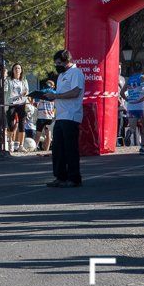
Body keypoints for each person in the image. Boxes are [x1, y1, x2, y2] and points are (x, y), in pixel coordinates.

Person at [44, 50, 85, 188]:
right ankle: (60, 176)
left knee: (70, 148)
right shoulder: (61, 75)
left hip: (71, 114)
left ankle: (74, 178)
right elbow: (61, 93)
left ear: (67, 61)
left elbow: (75, 92)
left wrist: (57, 96)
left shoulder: (76, 73)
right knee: (58, 148)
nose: (57, 66)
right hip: (60, 115)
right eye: (55, 63)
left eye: (59, 63)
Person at [120, 61, 144, 155]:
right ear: (142, 69)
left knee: (133, 127)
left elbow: (122, 93)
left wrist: (128, 100)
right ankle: (142, 147)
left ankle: (130, 132)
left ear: (133, 70)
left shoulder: (129, 79)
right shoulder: (143, 77)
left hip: (131, 106)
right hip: (142, 106)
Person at [4, 63, 29, 152]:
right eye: (15, 68)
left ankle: (21, 145)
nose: (17, 70)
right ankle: (10, 143)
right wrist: (4, 78)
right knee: (10, 124)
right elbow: (4, 89)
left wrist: (25, 94)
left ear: (21, 70)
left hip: (21, 104)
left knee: (22, 125)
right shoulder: (8, 80)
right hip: (11, 103)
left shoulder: (24, 81)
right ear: (13, 70)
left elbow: (27, 91)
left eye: (19, 68)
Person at [34, 79, 56, 154]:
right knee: (38, 134)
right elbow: (36, 103)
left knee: (48, 134)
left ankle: (46, 150)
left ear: (53, 86)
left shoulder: (54, 95)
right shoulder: (42, 94)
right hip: (42, 116)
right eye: (47, 85)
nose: (48, 86)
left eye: (50, 85)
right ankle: (34, 148)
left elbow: (55, 106)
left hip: (49, 117)